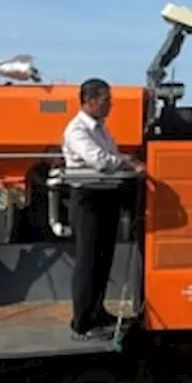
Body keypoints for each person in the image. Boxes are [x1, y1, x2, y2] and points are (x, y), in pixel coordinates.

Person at [61, 77, 145, 341]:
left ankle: (99, 312)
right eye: (106, 100)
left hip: (105, 197)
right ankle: (82, 323)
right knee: (88, 261)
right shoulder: (77, 130)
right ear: (90, 101)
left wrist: (124, 160)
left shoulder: (101, 129)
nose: (110, 105)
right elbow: (99, 160)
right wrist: (128, 165)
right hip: (88, 199)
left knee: (103, 258)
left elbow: (112, 155)